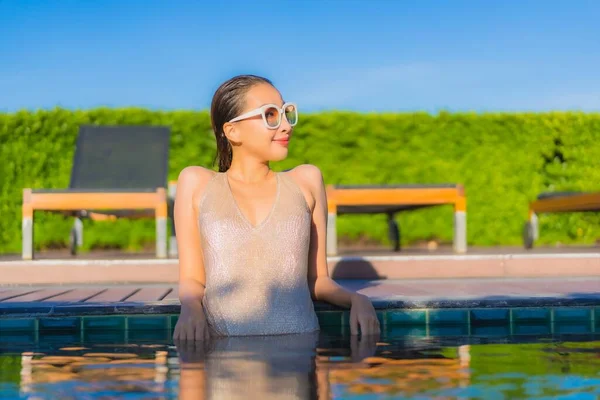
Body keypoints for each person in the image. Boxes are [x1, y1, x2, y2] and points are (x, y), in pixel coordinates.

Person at [172, 74, 380, 340]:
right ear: (232, 130)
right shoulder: (197, 183)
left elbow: (317, 280)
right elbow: (192, 279)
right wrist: (190, 308)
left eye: (286, 112)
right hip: (222, 361)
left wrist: (357, 299)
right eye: (270, 115)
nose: (285, 126)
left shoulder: (306, 180)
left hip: (301, 352)